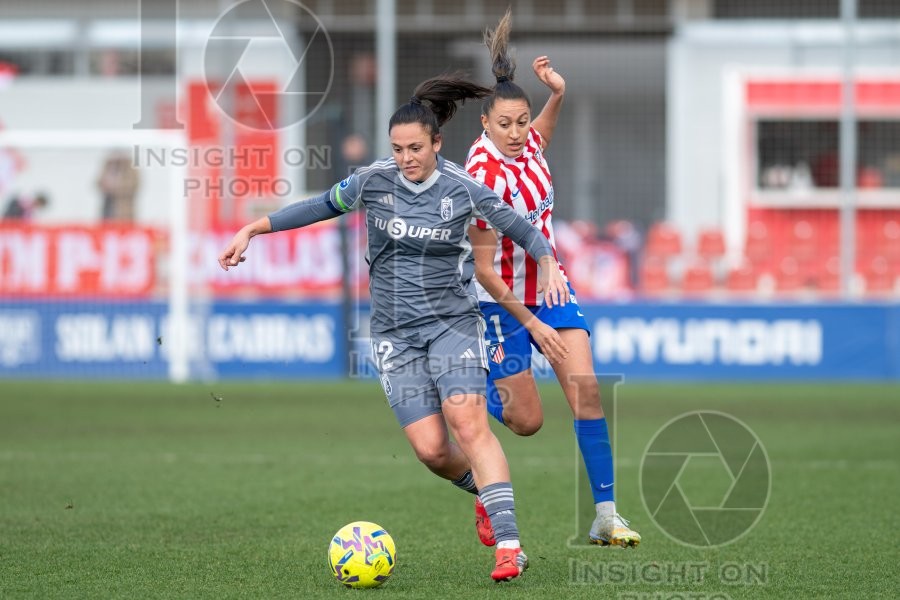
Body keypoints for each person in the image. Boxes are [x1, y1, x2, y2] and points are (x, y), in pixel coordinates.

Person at [218, 74, 571, 581]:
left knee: (469, 424)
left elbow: (522, 227)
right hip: (393, 335)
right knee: (431, 450)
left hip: (453, 324)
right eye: (399, 149)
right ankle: (485, 496)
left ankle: (510, 547)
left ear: (436, 145)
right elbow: (319, 206)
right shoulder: (372, 181)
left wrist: (550, 261)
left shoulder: (463, 188)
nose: (406, 158)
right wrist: (254, 228)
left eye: (415, 148)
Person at [465, 10, 641, 548]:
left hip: (553, 289)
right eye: (506, 125)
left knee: (587, 394)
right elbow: (482, 268)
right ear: (484, 126)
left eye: (521, 122)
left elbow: (542, 134)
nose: (518, 133)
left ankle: (607, 515)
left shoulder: (528, 146)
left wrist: (557, 96)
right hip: (501, 302)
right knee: (526, 421)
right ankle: (471, 391)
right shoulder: (480, 178)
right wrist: (527, 321)